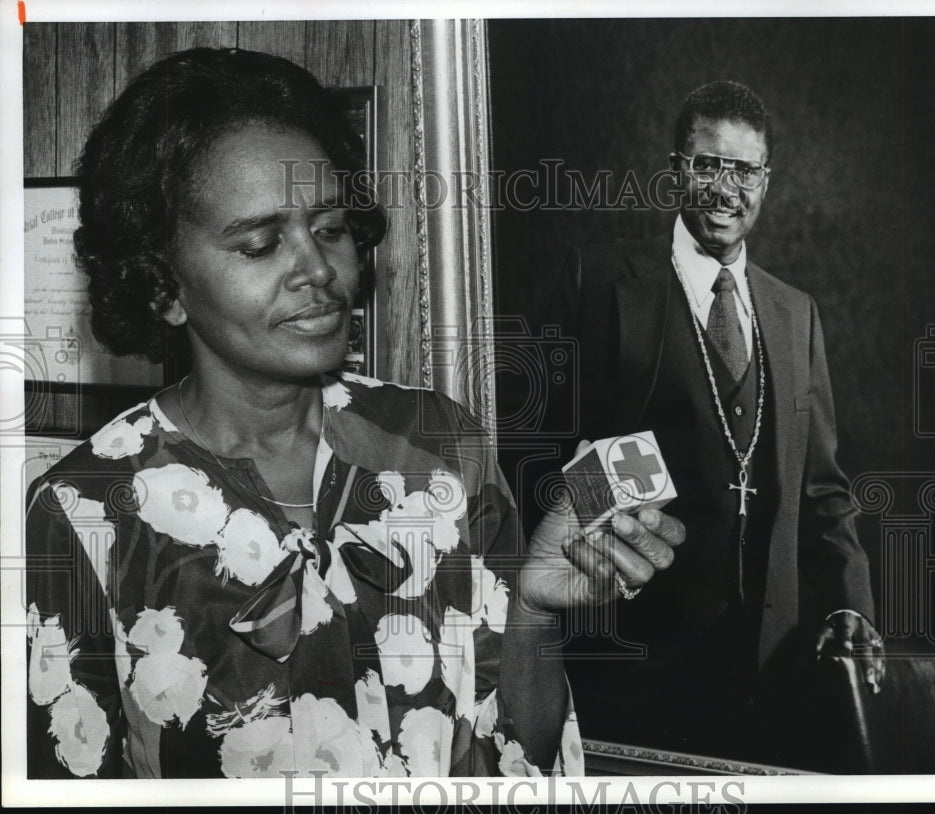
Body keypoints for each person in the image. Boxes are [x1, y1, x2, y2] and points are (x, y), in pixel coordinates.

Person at [24, 47, 684, 779]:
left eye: (331, 229)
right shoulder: (84, 511)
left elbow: (518, 761)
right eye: (261, 243)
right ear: (162, 286)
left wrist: (532, 612)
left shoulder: (440, 447)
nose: (318, 270)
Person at [543, 80, 885, 763]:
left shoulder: (796, 314)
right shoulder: (603, 283)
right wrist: (611, 540)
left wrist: (852, 608)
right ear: (677, 168)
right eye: (708, 165)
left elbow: (824, 492)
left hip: (771, 673)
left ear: (767, 179)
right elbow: (545, 451)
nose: (726, 190)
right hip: (632, 668)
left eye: (745, 170)